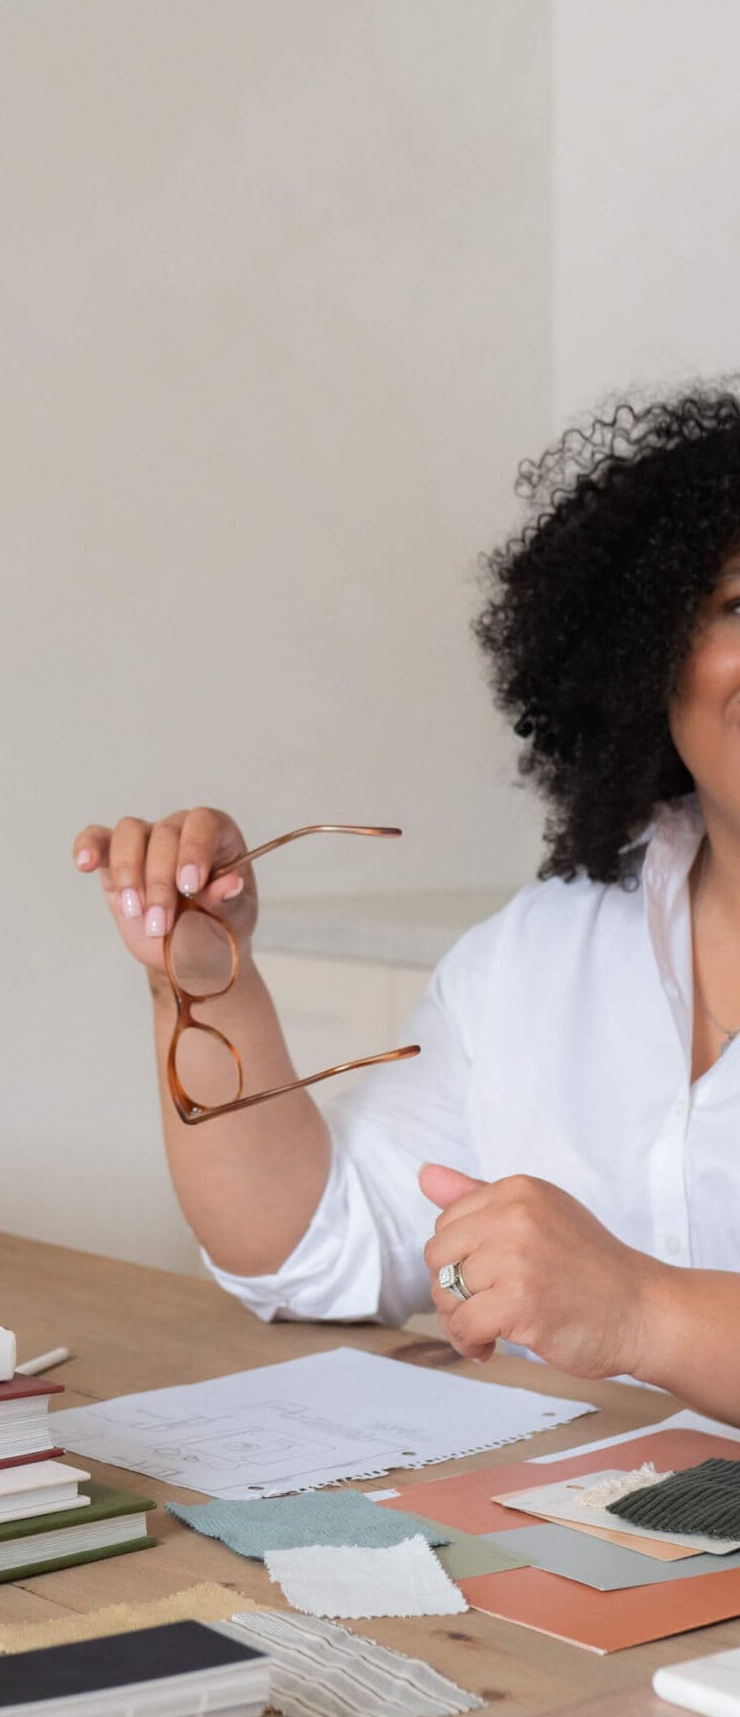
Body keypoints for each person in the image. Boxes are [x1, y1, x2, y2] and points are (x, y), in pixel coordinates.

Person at [74, 391, 740, 1421]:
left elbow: (626, 1309)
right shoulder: (543, 947)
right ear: (652, 650)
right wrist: (205, 986)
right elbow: (317, 1248)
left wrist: (643, 1311)